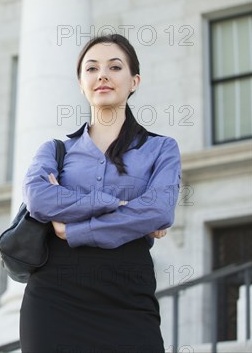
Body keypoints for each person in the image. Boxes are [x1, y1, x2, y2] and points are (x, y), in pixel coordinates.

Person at [18, 34, 182, 353]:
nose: (102, 75)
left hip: (128, 292)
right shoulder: (55, 149)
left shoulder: (162, 148)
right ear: (81, 83)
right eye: (91, 68)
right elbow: (38, 200)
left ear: (134, 81)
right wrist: (119, 205)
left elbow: (160, 210)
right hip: (54, 294)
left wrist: (76, 228)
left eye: (114, 67)